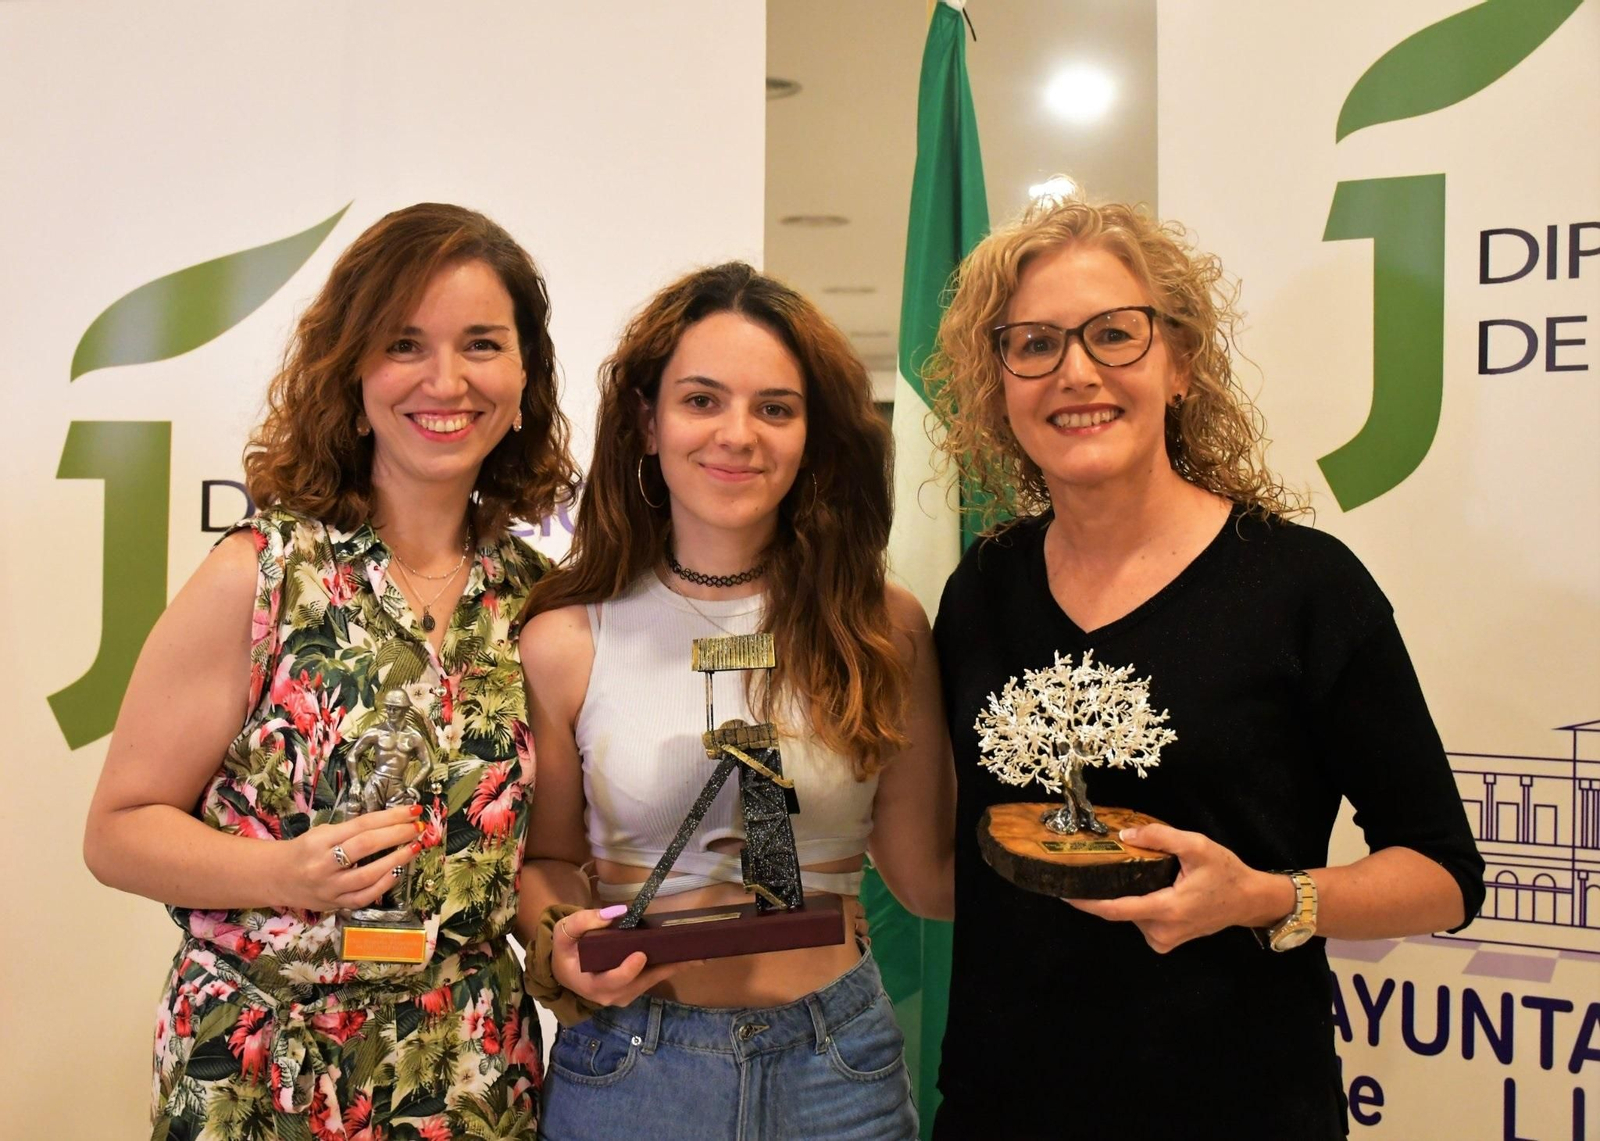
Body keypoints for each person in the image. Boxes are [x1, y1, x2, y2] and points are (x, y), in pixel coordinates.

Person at [923, 197, 1484, 1140]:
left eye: (1115, 335)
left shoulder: (1303, 586)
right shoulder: (981, 587)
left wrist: (1264, 896)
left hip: (1238, 1108)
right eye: (1034, 344)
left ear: (1180, 363)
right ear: (999, 382)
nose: (1077, 372)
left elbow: (1443, 874)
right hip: (998, 1107)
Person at [82, 203, 577, 1140]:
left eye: (481, 344)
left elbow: (543, 862)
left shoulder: (543, 602)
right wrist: (283, 871)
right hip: (263, 1070)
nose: (446, 379)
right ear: (352, 372)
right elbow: (115, 832)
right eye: (404, 343)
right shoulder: (261, 574)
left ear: (522, 379)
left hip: (471, 1076)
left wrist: (567, 945)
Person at [518, 262, 954, 1141]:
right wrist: (561, 935)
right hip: (633, 1066)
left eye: (776, 408)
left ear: (813, 434)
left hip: (840, 1064)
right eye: (702, 400)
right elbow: (549, 860)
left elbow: (927, 873)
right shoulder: (566, 637)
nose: (738, 435)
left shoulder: (881, 623)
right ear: (647, 421)